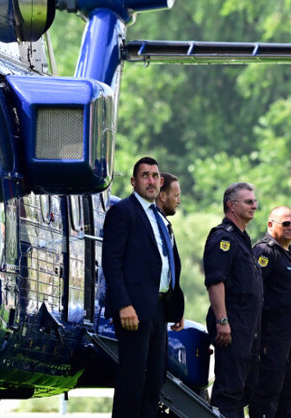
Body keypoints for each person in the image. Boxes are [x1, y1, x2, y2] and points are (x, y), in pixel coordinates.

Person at [102, 157, 185, 418]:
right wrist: (123, 304)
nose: (151, 180)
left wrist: (175, 304)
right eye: (145, 175)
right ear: (134, 181)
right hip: (134, 312)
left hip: (158, 309)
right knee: (132, 382)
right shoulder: (123, 212)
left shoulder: (158, 217)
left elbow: (165, 264)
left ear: (161, 182)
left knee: (154, 383)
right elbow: (111, 263)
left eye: (155, 176)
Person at [203, 182, 263, 418]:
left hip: (246, 328)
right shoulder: (223, 238)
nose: (254, 205)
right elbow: (215, 281)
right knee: (229, 391)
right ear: (231, 205)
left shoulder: (242, 239)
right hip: (231, 324)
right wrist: (222, 320)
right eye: (248, 201)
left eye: (254, 201)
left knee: (242, 390)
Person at [248, 206, 291, 418]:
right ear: (271, 225)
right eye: (286, 223)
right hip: (270, 342)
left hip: (290, 342)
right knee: (266, 398)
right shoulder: (265, 252)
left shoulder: (289, 253)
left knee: (288, 395)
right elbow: (253, 294)